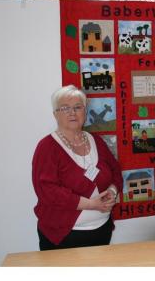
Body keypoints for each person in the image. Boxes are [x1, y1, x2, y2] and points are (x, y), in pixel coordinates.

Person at [32, 85, 122, 250]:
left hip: (102, 230)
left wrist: (112, 192)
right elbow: (47, 190)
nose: (72, 112)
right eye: (65, 108)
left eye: (77, 107)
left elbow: (116, 171)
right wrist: (91, 204)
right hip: (63, 235)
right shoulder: (47, 147)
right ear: (55, 114)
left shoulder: (96, 141)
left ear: (85, 112)